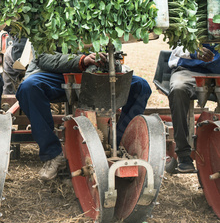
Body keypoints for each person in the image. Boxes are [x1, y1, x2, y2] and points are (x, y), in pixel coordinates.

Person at [16, 51, 152, 181]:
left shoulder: (103, 28)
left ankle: (119, 146)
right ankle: (53, 154)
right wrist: (82, 60)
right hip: (56, 75)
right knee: (29, 88)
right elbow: (43, 58)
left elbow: (116, 58)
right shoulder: (44, 28)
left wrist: (108, 60)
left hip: (95, 75)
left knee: (141, 86)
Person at [168, 43, 219, 173]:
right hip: (188, 71)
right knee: (179, 89)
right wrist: (194, 51)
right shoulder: (187, 23)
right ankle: (183, 154)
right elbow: (177, 48)